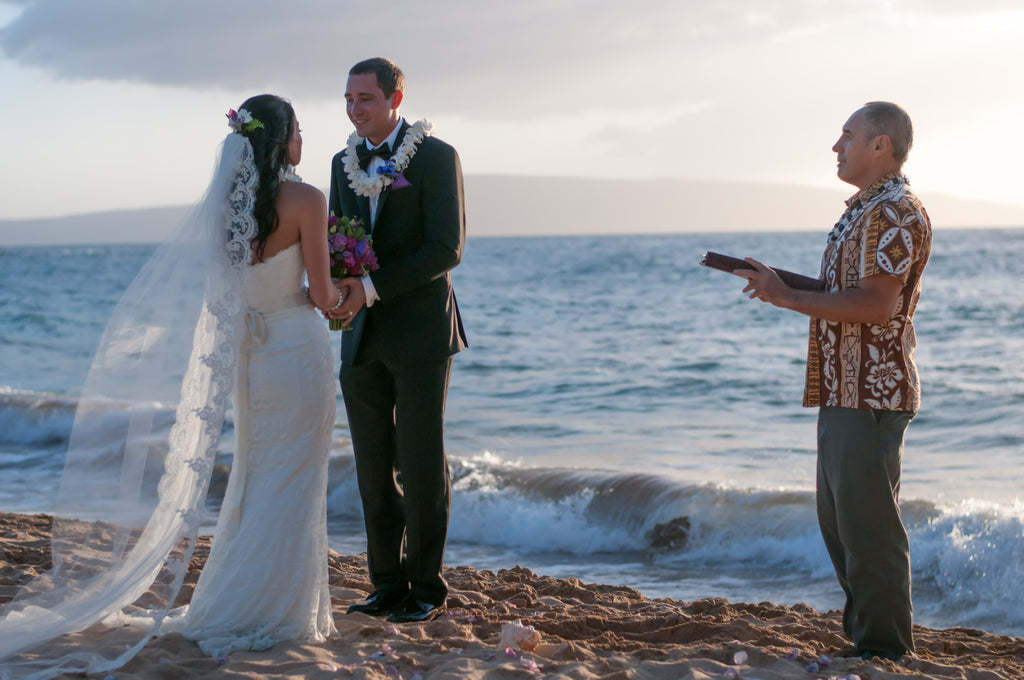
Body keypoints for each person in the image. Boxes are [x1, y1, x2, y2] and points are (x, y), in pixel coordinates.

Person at [0, 94, 340, 676]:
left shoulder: (224, 209)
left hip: (251, 364)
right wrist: (358, 292)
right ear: (283, 137)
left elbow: (230, 291)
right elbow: (324, 295)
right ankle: (277, 609)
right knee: (296, 477)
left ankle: (235, 599)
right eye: (299, 128)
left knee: (258, 479)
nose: (304, 138)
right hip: (294, 352)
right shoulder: (307, 198)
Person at [735, 101, 931, 661]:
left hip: (872, 390)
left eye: (847, 135)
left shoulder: (894, 212)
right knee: (841, 524)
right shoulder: (864, 210)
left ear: (881, 146)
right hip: (842, 386)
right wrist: (781, 282)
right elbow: (844, 289)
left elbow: (873, 305)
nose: (835, 146)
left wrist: (787, 297)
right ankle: (870, 640)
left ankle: (885, 650)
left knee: (869, 528)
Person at [327, 57, 467, 624]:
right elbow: (338, 236)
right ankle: (385, 583)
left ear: (395, 100)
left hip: (420, 334)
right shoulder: (342, 163)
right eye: (348, 99)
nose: (355, 109)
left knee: (420, 463)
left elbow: (446, 249)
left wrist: (371, 288)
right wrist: (338, 287)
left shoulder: (437, 157)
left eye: (365, 99)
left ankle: (426, 588)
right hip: (360, 337)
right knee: (371, 465)